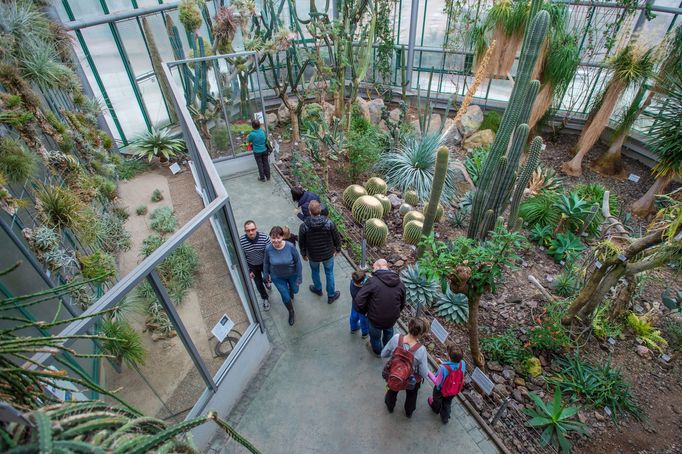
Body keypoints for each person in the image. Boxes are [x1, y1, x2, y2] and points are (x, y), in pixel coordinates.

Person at [355, 259, 406, 356]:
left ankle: (378, 352)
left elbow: (359, 299)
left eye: (373, 267)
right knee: (388, 333)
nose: (373, 270)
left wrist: (365, 311)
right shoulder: (400, 284)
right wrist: (395, 313)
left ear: (379, 266)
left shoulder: (372, 282)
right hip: (391, 319)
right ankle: (387, 350)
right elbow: (402, 303)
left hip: (375, 319)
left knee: (375, 338)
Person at [381, 318, 429, 418]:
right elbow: (424, 373)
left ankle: (390, 406)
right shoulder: (421, 350)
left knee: (392, 390)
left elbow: (383, 354)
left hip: (395, 373)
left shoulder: (396, 338)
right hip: (411, 379)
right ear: (421, 334)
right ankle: (409, 412)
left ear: (409, 326)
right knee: (412, 394)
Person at [299, 200, 341, 304]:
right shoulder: (329, 223)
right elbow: (336, 237)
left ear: (309, 211)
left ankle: (318, 289)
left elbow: (301, 242)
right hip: (328, 254)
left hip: (313, 256)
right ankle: (331, 295)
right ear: (320, 210)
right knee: (329, 273)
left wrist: (303, 254)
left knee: (315, 271)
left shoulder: (304, 226)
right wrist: (338, 249)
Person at [263, 226, 302, 326]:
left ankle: (291, 291)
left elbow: (298, 262)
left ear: (282, 237)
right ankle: (291, 312)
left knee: (295, 290)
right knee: (285, 296)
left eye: (278, 237)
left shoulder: (290, 247)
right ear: (270, 237)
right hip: (277, 277)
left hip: (292, 274)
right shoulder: (268, 249)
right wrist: (266, 274)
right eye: (273, 237)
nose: (276, 240)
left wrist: (299, 276)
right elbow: (266, 263)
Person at [427, 344, 466, 424]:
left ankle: (435, 409)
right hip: (453, 390)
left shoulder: (443, 368)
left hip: (441, 390)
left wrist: (427, 371)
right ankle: (445, 418)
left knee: (437, 401)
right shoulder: (462, 363)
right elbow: (455, 368)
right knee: (447, 403)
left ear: (449, 356)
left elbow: (437, 382)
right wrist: (442, 362)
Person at [239, 220, 271, 311]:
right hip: (252, 265)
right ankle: (265, 298)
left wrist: (269, 269)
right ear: (245, 231)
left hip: (264, 264)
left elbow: (270, 253)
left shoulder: (264, 238)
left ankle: (267, 282)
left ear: (256, 229)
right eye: (248, 230)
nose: (251, 232)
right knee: (258, 283)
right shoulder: (241, 242)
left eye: (252, 229)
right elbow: (242, 257)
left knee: (266, 278)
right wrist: (248, 270)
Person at [349, 269, 369, 338]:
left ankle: (353, 328)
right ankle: (365, 333)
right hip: (363, 309)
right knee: (363, 321)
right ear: (361, 282)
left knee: (353, 317)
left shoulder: (352, 282)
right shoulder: (363, 290)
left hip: (355, 305)